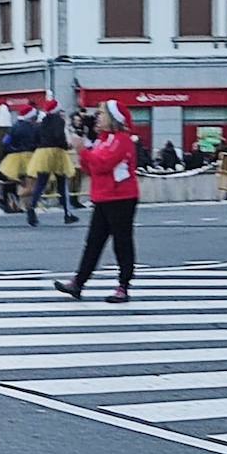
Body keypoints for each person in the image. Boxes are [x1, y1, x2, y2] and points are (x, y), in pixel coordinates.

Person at [53, 99, 140, 304]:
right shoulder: (104, 139)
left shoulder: (121, 140)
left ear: (112, 118)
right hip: (104, 196)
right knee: (93, 242)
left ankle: (123, 285)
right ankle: (78, 282)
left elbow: (102, 164)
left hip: (121, 197)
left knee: (122, 243)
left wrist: (83, 150)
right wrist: (83, 153)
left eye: (101, 114)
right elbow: (91, 167)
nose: (97, 117)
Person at [26, 98, 76, 226]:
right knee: (62, 183)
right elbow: (58, 135)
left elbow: (35, 138)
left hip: (42, 153)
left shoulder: (42, 122)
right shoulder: (59, 120)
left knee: (41, 182)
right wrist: (65, 145)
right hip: (56, 152)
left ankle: (32, 207)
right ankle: (67, 213)